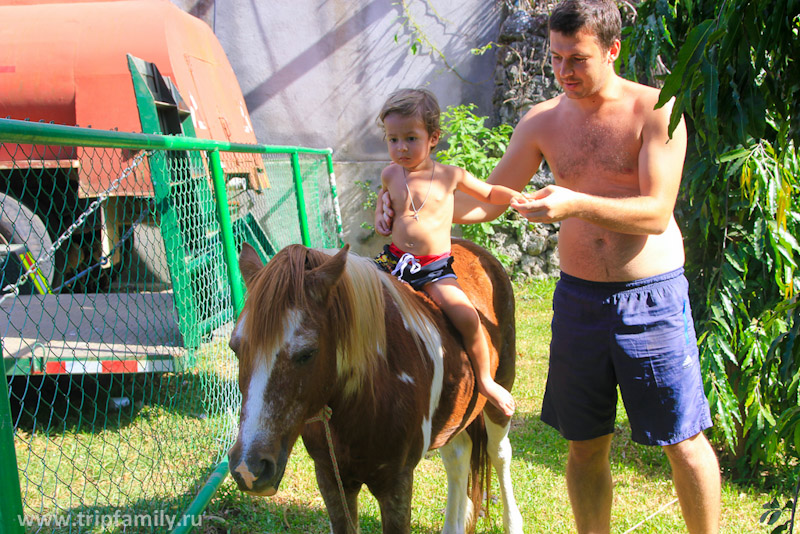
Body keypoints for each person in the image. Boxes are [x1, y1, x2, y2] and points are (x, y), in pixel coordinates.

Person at [375, 1, 721, 532]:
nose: (563, 71)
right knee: (584, 446)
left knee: (683, 440)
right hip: (579, 299)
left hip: (650, 297)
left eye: (577, 59)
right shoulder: (543, 120)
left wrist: (574, 203)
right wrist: (409, 207)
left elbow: (655, 212)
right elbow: (489, 202)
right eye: (555, 57)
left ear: (613, 50)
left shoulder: (656, 109)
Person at [373, 87, 523, 417]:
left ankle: (485, 380)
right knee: (362, 304)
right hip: (395, 261)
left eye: (411, 138)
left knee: (467, 316)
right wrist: (381, 215)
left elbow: (489, 192)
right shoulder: (389, 174)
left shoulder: (449, 176)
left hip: (433, 269)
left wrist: (514, 197)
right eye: (392, 139)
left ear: (433, 137)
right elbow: (383, 207)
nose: (401, 148)